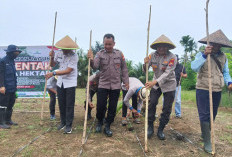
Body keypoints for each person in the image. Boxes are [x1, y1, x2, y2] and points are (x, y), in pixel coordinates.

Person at [191, 29, 232, 153]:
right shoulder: (200, 54)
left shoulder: (223, 56)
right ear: (209, 43)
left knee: (213, 114)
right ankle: (207, 141)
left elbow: (226, 72)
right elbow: (194, 67)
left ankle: (206, 133)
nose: (216, 46)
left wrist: (229, 82)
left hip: (217, 89)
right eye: (214, 43)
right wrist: (204, 55)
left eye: (219, 44)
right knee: (204, 114)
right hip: (203, 88)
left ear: (221, 45)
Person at [87, 33, 129, 137]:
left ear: (114, 43)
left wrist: (126, 82)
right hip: (103, 84)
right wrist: (91, 60)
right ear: (103, 43)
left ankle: (108, 125)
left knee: (112, 107)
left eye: (110, 44)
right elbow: (95, 66)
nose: (107, 46)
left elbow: (124, 68)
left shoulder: (119, 54)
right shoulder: (99, 54)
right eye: (106, 44)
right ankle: (100, 122)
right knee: (101, 105)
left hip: (115, 85)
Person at [144, 35, 177, 140]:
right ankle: (150, 127)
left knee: (167, 108)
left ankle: (161, 129)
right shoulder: (152, 56)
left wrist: (155, 82)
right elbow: (145, 70)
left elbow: (168, 73)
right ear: (156, 48)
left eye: (163, 46)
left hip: (169, 84)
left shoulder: (172, 57)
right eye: (159, 47)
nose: (161, 49)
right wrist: (145, 64)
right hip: (155, 84)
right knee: (152, 103)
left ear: (167, 47)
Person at [45, 35, 78, 134]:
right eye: (63, 48)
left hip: (70, 82)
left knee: (69, 105)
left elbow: (68, 70)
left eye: (67, 49)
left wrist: (54, 73)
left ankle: (69, 126)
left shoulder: (74, 56)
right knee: (61, 103)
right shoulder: (59, 53)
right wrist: (51, 57)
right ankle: (63, 122)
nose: (64, 51)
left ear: (71, 48)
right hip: (60, 82)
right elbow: (52, 64)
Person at [0, 45, 21, 129]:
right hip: (5, 88)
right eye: (16, 52)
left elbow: (13, 75)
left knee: (10, 105)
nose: (17, 54)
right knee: (2, 105)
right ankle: (1, 123)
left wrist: (15, 88)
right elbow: (0, 75)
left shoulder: (12, 61)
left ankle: (8, 120)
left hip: (12, 87)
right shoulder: (3, 61)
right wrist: (1, 86)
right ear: (10, 53)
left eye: (18, 52)